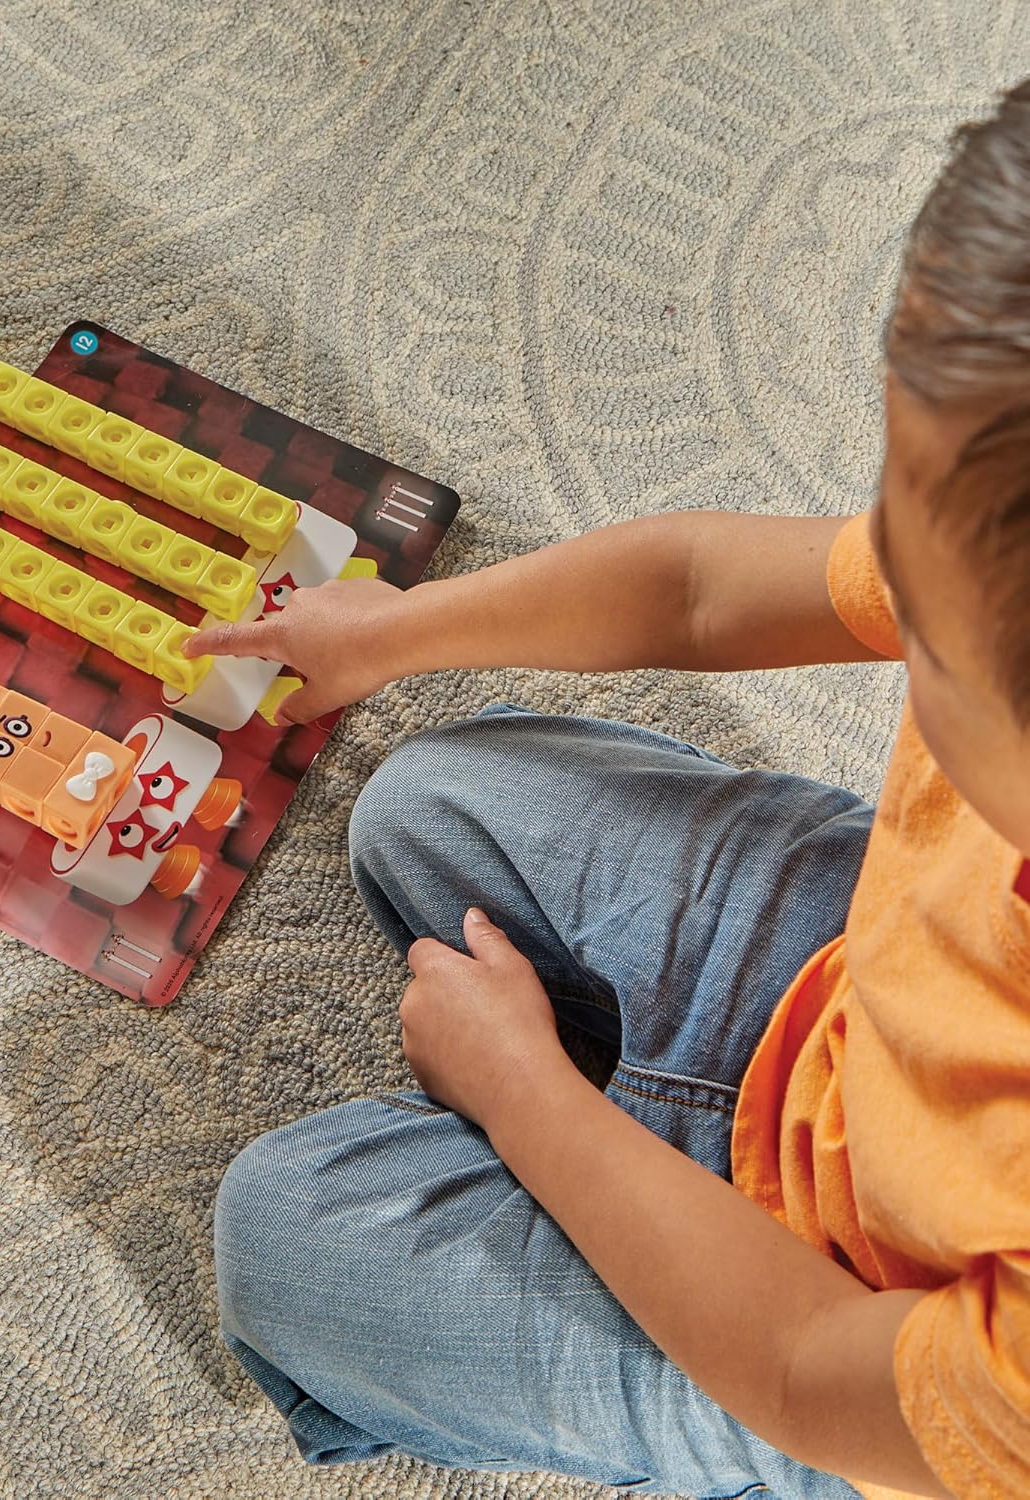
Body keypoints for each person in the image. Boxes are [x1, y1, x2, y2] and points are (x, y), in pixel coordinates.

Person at [187, 81, 1030, 1500]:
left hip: (842, 1324)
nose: (892, 589)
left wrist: (525, 1095)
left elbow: (803, 1365)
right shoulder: (1001, 529)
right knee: (426, 804)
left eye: (926, 641)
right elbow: (697, 588)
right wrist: (396, 632)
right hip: (852, 982)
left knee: (283, 1235)